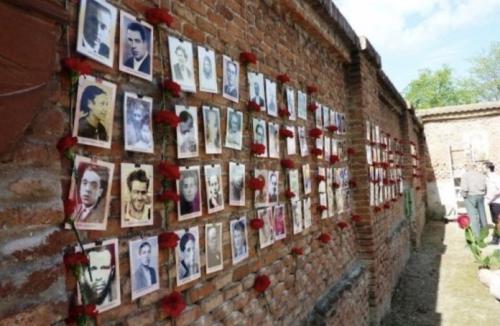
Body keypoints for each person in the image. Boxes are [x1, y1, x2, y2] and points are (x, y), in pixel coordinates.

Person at [460, 163, 488, 237]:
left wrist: (463, 195)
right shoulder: (481, 175)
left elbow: (465, 188)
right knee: (482, 214)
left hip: (470, 196)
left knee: (473, 216)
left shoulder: (465, 175)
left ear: (467, 167)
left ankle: (477, 235)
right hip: (481, 196)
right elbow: (485, 187)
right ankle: (485, 232)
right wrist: (483, 194)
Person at [485, 162, 500, 244]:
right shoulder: (489, 178)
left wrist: (491, 197)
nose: (482, 169)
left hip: (496, 202)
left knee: (497, 221)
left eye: (483, 167)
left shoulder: (495, 177)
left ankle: (496, 239)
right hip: (493, 202)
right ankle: (496, 238)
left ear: (488, 168)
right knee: (496, 221)